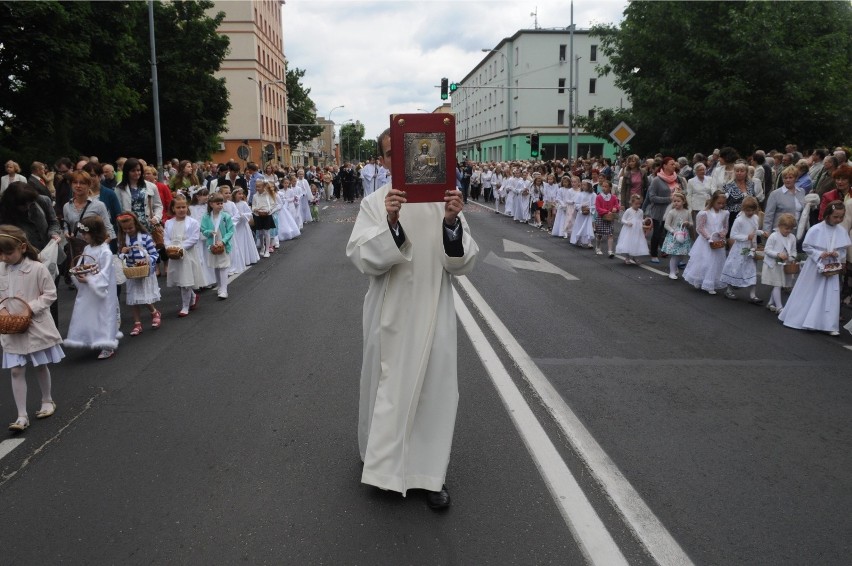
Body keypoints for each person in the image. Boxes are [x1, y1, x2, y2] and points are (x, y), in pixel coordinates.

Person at [346, 126, 478, 510]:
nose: (396, 161)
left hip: (434, 308)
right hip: (389, 308)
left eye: (401, 154)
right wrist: (390, 222)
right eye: (389, 154)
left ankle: (429, 475)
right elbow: (360, 257)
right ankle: (383, 466)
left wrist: (452, 222)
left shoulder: (445, 200)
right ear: (384, 160)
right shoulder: (375, 202)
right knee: (386, 388)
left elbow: (462, 261)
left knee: (435, 390)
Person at [0, 225, 64, 432]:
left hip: (35, 326)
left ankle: (47, 400)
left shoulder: (38, 268)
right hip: (11, 328)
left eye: (8, 253)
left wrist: (29, 309)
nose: (4, 258)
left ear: (23, 248)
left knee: (40, 364)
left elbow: (50, 294)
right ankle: (21, 415)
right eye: (0, 254)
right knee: (17, 370)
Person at [780, 201, 850, 335]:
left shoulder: (841, 231)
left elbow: (843, 250)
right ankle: (807, 320)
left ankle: (829, 325)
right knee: (811, 292)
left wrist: (837, 254)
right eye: (835, 217)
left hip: (831, 267)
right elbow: (806, 246)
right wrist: (819, 254)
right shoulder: (816, 229)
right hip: (815, 266)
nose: (838, 220)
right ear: (828, 215)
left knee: (829, 295)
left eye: (841, 217)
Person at [64, 216, 122, 359]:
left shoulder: (105, 251)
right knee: (91, 313)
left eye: (85, 233)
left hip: (102, 290)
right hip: (90, 287)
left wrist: (89, 279)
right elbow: (83, 263)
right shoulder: (87, 248)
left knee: (104, 314)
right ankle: (95, 338)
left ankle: (108, 344)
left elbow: (105, 273)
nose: (83, 236)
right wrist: (77, 273)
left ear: (95, 232)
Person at [116, 212, 161, 335]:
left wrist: (147, 260)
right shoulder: (122, 239)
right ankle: (137, 323)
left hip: (144, 271)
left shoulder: (146, 237)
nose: (128, 231)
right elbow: (120, 257)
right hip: (131, 272)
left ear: (136, 224)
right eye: (125, 229)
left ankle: (154, 312)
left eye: (130, 228)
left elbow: (154, 254)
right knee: (133, 299)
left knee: (144, 297)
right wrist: (123, 253)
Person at [683, 190, 730, 295]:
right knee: (704, 261)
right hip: (706, 241)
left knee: (715, 263)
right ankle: (698, 279)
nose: (721, 205)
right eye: (719, 203)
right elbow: (700, 228)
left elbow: (725, 227)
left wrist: (723, 233)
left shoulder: (725, 213)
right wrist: (709, 237)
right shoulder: (704, 213)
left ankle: (710, 283)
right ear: (713, 201)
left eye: (723, 203)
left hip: (718, 241)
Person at [164, 195, 203, 317]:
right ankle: (192, 296)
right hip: (173, 254)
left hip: (187, 254)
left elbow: (194, 238)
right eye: (178, 207)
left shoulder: (193, 222)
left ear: (187, 207)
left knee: (186, 281)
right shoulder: (169, 223)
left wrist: (180, 248)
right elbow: (166, 238)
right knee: (179, 279)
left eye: (184, 207)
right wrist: (170, 247)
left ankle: (185, 306)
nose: (181, 209)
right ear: (173, 208)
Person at [720, 197, 764, 303]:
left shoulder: (755, 218)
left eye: (752, 210)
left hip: (750, 247)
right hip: (740, 248)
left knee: (751, 269)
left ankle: (753, 295)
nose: (750, 212)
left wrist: (761, 233)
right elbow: (733, 235)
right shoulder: (739, 220)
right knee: (735, 268)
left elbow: (754, 231)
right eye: (748, 210)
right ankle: (729, 289)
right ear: (743, 209)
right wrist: (746, 237)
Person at [761, 213, 798, 313]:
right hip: (773, 265)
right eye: (786, 228)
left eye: (791, 229)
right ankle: (779, 307)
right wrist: (778, 254)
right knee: (777, 284)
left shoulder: (792, 237)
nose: (788, 231)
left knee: (779, 284)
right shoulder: (774, 236)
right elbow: (767, 250)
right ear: (779, 226)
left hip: (784, 265)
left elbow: (794, 251)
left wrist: (791, 257)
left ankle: (770, 303)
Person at [200, 193, 233, 299]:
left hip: (222, 243)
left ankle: (224, 289)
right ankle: (219, 285)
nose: (220, 205)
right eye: (217, 203)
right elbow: (203, 229)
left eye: (221, 203)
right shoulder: (206, 217)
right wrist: (209, 232)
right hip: (212, 243)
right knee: (216, 266)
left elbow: (231, 231)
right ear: (211, 204)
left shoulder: (225, 216)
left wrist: (223, 241)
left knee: (223, 266)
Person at [646, 157, 679, 263]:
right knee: (657, 233)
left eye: (674, 164)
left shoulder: (676, 179)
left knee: (672, 233)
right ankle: (654, 254)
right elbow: (652, 198)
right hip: (660, 212)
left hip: (674, 211)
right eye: (671, 164)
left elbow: (681, 193)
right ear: (664, 166)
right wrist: (669, 199)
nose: (674, 166)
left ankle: (675, 255)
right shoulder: (656, 180)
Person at [660, 192, 692, 279]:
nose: (676, 203)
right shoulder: (671, 212)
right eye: (674, 201)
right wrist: (673, 231)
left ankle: (675, 267)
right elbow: (666, 225)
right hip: (674, 236)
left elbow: (691, 223)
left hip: (684, 236)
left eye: (678, 201)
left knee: (681, 255)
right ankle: (672, 272)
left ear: (683, 202)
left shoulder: (687, 212)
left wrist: (688, 223)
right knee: (675, 255)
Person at [616, 194, 649, 264]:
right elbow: (622, 219)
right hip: (629, 230)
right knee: (628, 243)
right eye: (636, 204)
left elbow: (640, 220)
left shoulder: (641, 211)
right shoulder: (628, 210)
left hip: (637, 230)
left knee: (636, 242)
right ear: (632, 203)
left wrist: (644, 220)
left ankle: (635, 257)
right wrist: (627, 222)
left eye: (639, 204)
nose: (638, 206)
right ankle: (627, 257)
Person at [593, 178, 620, 257]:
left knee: (610, 234)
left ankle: (610, 251)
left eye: (606, 186)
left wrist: (616, 208)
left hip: (610, 218)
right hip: (601, 217)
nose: (604, 188)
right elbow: (598, 208)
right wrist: (606, 211)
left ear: (610, 188)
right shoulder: (599, 197)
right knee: (599, 234)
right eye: (603, 186)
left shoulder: (614, 197)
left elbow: (617, 205)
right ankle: (598, 248)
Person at [252, 181, 277, 259]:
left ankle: (267, 250)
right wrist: (256, 210)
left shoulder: (268, 195)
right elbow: (253, 205)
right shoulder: (255, 196)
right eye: (256, 186)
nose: (257, 188)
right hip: (258, 215)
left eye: (259, 187)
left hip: (267, 215)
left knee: (266, 232)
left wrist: (268, 210)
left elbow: (273, 204)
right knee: (260, 232)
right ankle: (262, 246)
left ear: (263, 187)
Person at [571, 179, 595, 248]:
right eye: (582, 185)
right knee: (580, 226)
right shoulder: (579, 194)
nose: (583, 186)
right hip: (581, 214)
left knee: (588, 227)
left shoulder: (593, 194)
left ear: (589, 186)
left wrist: (589, 209)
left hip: (588, 214)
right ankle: (580, 240)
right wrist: (581, 207)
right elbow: (576, 204)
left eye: (585, 185)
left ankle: (589, 242)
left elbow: (594, 204)